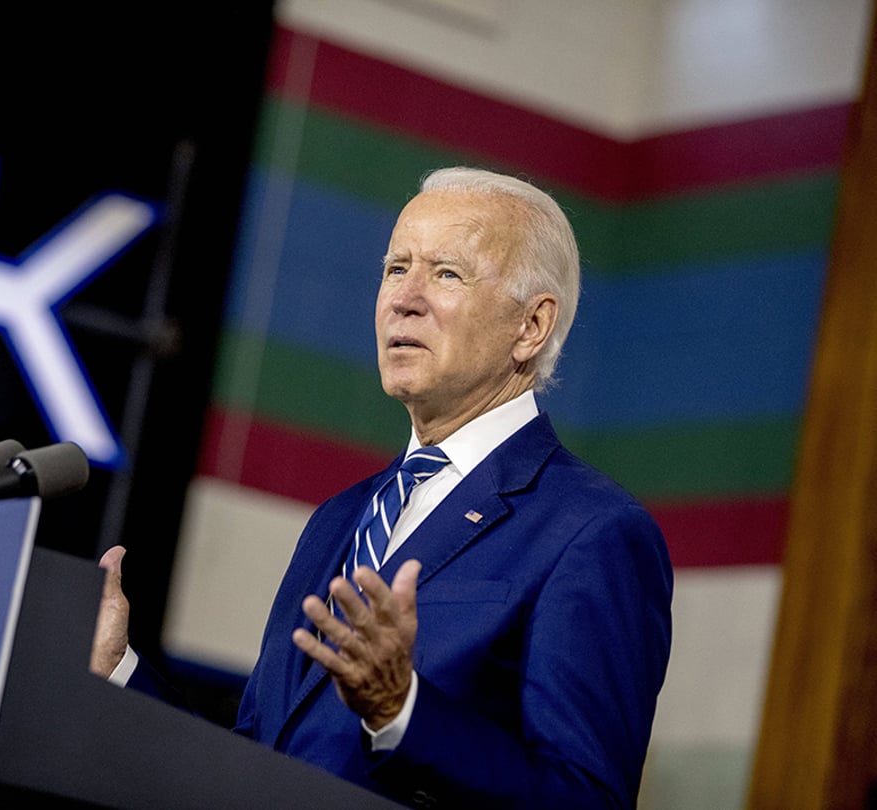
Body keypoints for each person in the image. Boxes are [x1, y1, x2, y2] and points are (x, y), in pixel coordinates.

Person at [90, 166, 673, 808]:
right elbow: (256, 762)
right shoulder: (341, 517)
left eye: (446, 273)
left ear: (530, 327)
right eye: (396, 268)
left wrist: (403, 712)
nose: (404, 297)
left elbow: (584, 799)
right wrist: (120, 670)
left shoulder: (593, 532)